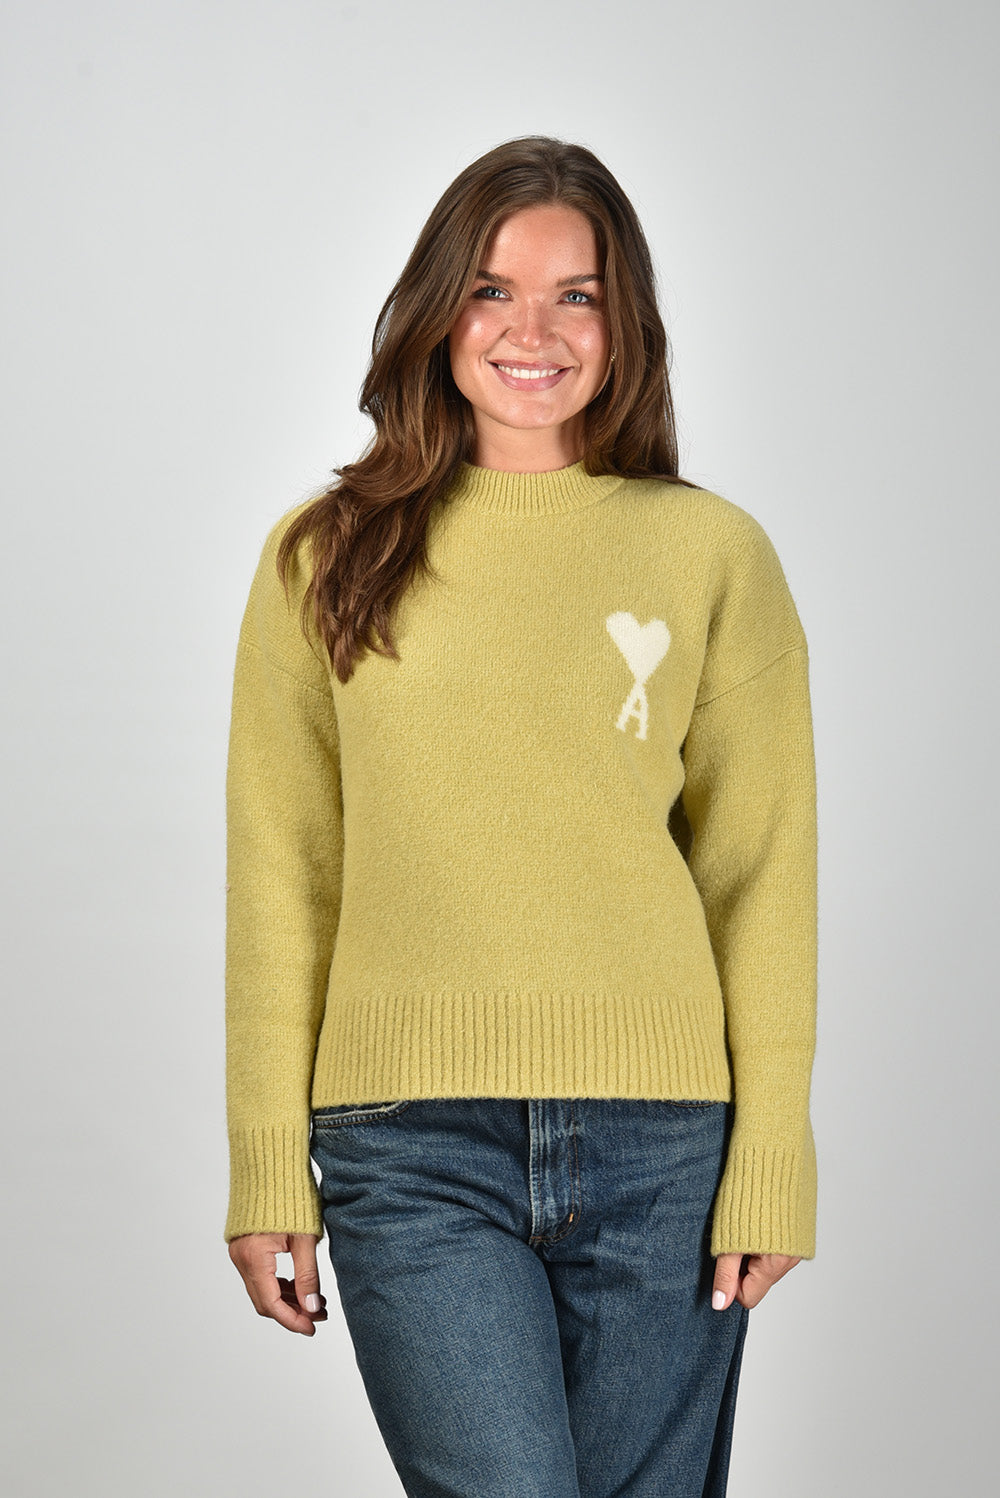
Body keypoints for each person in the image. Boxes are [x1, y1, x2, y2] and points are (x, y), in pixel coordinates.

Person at [224, 136, 817, 1498]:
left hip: (665, 1143)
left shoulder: (710, 553)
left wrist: (773, 1155)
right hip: (409, 1143)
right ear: (439, 313)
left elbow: (762, 869)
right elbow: (283, 868)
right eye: (492, 290)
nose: (531, 331)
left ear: (626, 322)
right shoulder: (325, 555)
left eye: (577, 295)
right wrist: (266, 1165)